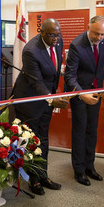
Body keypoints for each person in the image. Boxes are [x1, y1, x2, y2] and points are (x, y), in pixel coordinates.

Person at [12, 18, 69, 195]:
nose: (56, 39)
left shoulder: (57, 42)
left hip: (46, 99)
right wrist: (52, 99)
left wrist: (52, 98)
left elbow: (53, 73)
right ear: (41, 32)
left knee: (43, 138)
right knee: (31, 140)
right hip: (29, 100)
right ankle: (33, 180)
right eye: (52, 35)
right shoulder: (31, 51)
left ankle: (43, 175)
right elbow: (36, 82)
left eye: (58, 35)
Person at [64, 15, 104, 186]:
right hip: (79, 92)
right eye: (95, 34)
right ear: (88, 27)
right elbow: (70, 77)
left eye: (102, 34)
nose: (99, 38)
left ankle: (89, 166)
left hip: (97, 91)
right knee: (80, 130)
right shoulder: (76, 45)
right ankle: (79, 170)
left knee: (92, 130)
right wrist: (81, 93)